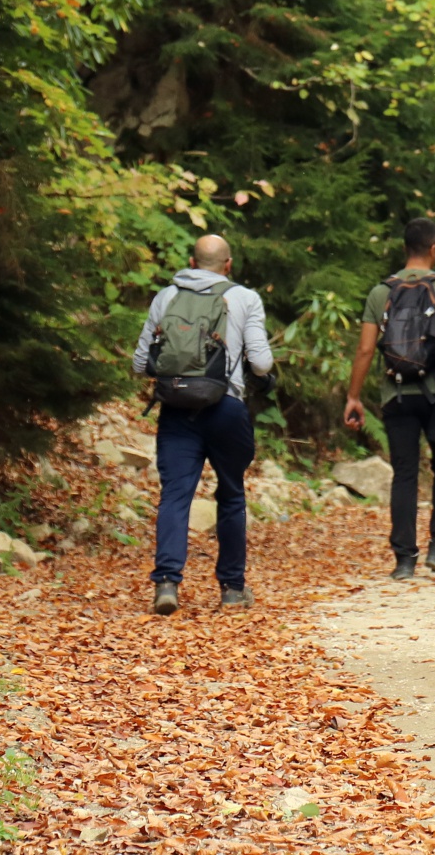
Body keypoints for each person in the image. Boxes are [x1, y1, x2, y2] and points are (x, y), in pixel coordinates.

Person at [134, 235, 274, 615]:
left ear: (192, 262)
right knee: (231, 495)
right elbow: (260, 362)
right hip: (226, 407)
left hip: (178, 409)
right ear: (228, 264)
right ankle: (231, 588)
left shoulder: (166, 296)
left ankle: (167, 583)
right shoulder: (245, 298)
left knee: (176, 495)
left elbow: (139, 361)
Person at [344, 218, 435, 579]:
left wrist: (353, 396)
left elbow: (365, 349)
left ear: (406, 248)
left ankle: (404, 559)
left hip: (397, 394)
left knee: (404, 473)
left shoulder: (381, 292)